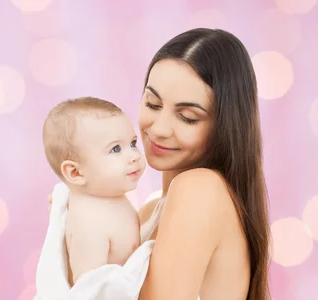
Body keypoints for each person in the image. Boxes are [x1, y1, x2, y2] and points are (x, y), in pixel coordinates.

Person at [46, 28, 271, 300]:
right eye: (152, 104)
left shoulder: (201, 190)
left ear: (224, 126)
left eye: (187, 117)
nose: (160, 128)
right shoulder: (146, 212)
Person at [42, 97, 146, 286]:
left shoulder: (109, 196)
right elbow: (90, 290)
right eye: (115, 149)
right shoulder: (90, 223)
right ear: (76, 172)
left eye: (132, 143)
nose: (134, 156)